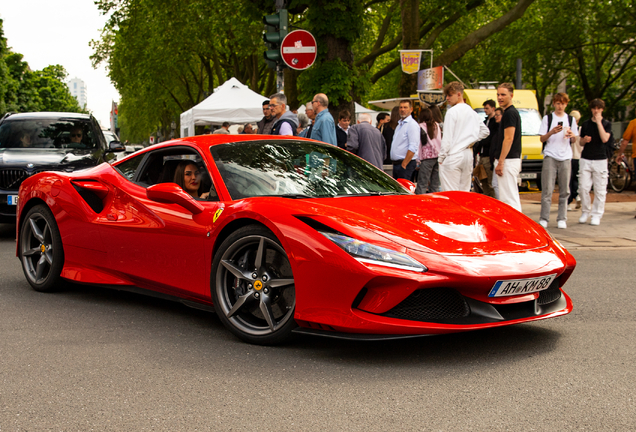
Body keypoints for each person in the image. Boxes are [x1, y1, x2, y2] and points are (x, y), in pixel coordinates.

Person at [438, 81, 490, 192]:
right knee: (464, 192)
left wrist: (441, 157)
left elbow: (447, 138)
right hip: (467, 154)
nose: (447, 98)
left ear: (458, 94)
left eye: (450, 95)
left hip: (453, 154)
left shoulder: (452, 112)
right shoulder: (472, 112)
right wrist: (471, 141)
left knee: (450, 193)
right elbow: (485, 131)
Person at [538, 93, 578, 229]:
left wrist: (572, 135)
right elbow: (542, 138)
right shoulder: (548, 118)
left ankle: (562, 218)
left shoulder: (571, 119)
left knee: (564, 189)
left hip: (566, 156)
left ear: (566, 104)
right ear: (554, 104)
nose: (560, 106)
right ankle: (544, 217)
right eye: (558, 103)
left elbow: (574, 139)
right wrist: (551, 132)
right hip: (550, 154)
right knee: (547, 189)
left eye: (563, 103)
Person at [578, 98, 613, 226]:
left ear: (602, 109)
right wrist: (584, 140)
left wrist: (599, 123)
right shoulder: (586, 124)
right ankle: (585, 211)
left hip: (600, 159)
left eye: (598, 108)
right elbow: (580, 141)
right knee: (583, 187)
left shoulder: (607, 124)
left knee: (600, 189)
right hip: (586, 158)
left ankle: (597, 214)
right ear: (591, 109)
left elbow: (605, 139)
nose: (596, 111)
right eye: (594, 108)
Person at [492, 83, 522, 212]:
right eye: (498, 94)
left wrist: (501, 161)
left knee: (509, 199)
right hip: (508, 160)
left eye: (503, 94)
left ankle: (517, 228)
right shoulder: (509, 113)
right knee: (508, 197)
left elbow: (508, 138)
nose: (500, 97)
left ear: (511, 95)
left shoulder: (510, 113)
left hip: (508, 160)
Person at [472, 99, 498, 198]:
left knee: (490, 182)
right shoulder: (484, 122)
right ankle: (487, 199)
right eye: (484, 108)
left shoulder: (495, 123)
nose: (485, 110)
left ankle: (494, 200)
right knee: (483, 181)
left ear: (493, 108)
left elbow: (491, 139)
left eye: (487, 108)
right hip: (481, 155)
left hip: (489, 155)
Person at [390, 99, 420, 180]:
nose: (402, 110)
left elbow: (413, 146)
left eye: (405, 107)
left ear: (411, 109)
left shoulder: (412, 125)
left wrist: (404, 164)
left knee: (404, 190)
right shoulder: (399, 125)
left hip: (405, 164)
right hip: (397, 164)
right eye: (401, 107)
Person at [414, 107, 441, 194]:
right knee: (435, 183)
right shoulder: (436, 125)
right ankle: (434, 200)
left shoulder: (420, 126)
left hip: (427, 157)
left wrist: (417, 160)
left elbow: (419, 143)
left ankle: (420, 201)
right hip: (438, 156)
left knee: (422, 182)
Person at [568, 110, 583, 211]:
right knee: (576, 179)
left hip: (569, 157)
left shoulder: (567, 130)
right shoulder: (581, 130)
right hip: (579, 156)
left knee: (569, 179)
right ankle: (577, 195)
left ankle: (569, 200)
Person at [491, 107, 504, 199]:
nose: (495, 117)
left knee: (497, 184)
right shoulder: (498, 128)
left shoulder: (503, 130)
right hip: (496, 158)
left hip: (500, 159)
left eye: (497, 115)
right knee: (496, 184)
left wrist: (500, 161)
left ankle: (502, 203)